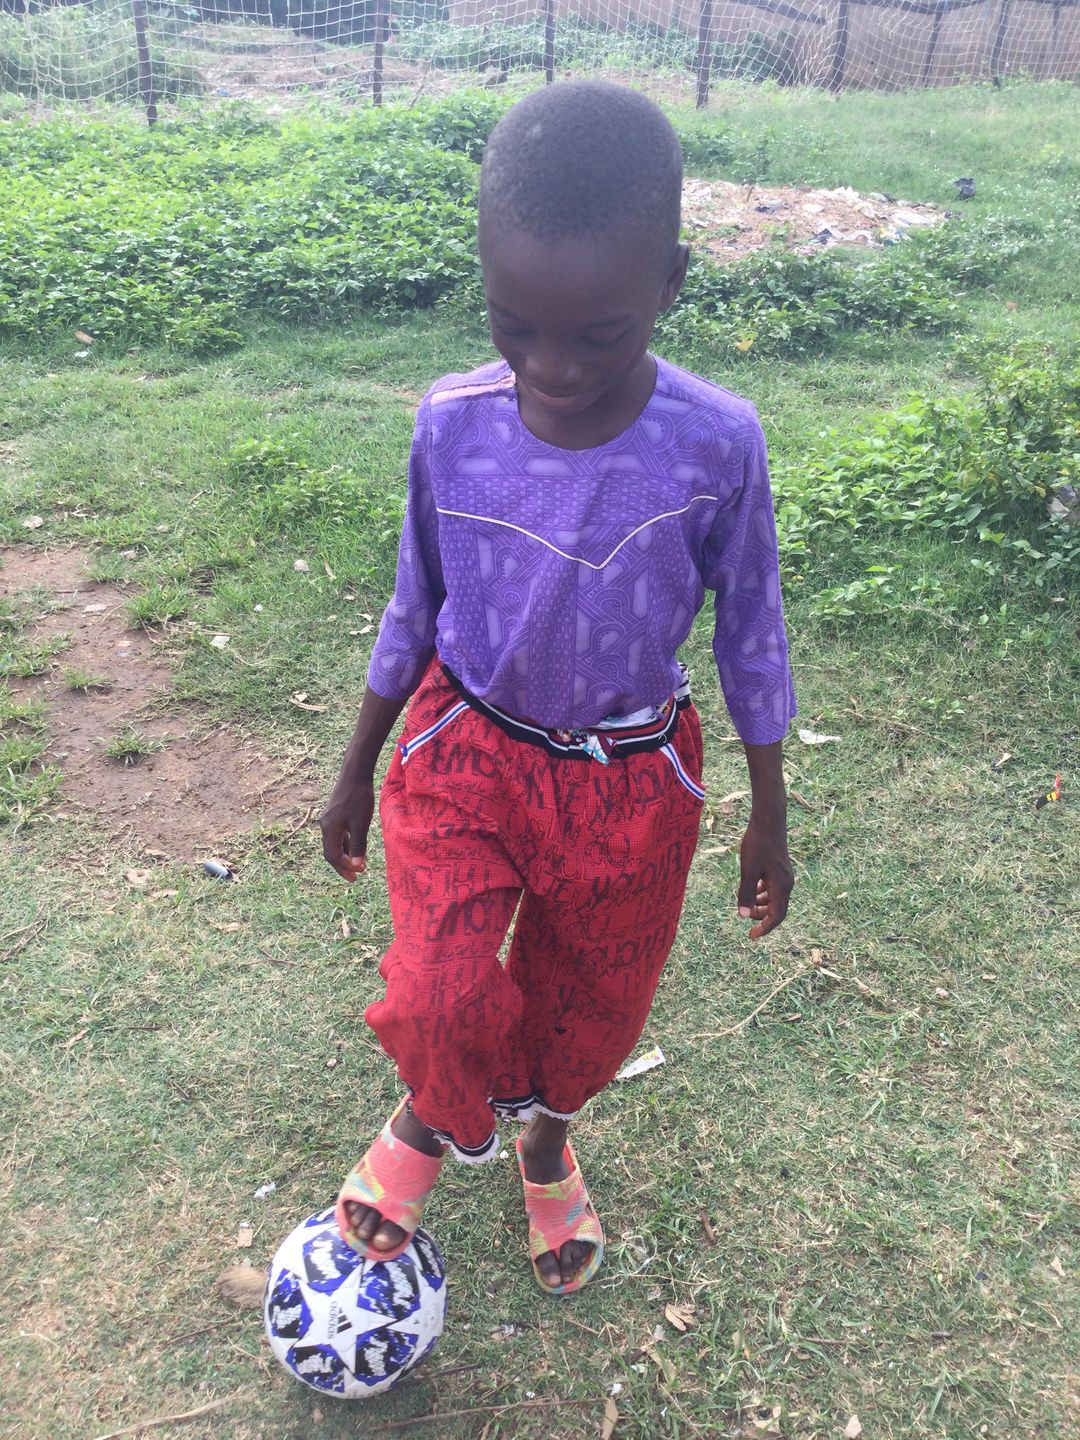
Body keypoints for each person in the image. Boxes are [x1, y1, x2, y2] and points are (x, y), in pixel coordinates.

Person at [319, 80, 796, 1296]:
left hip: (631, 783)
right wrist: (355, 768)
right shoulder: (451, 423)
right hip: (465, 750)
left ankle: (544, 1140)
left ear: (670, 282)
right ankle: (432, 1117)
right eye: (515, 326)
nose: (552, 367)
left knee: (591, 1008)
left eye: (599, 335)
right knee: (438, 991)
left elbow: (752, 633)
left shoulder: (717, 442)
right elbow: (414, 601)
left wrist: (770, 814)